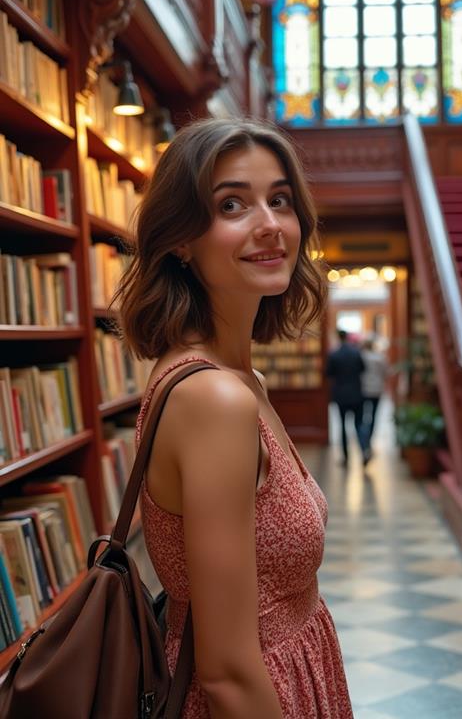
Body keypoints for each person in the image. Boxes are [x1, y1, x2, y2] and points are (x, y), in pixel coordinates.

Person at [114, 118, 353, 719]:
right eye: (231, 204)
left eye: (280, 199)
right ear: (180, 240)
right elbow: (224, 673)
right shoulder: (214, 399)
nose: (270, 225)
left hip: (295, 675)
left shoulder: (242, 381)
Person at [326, 329, 371, 466]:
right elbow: (364, 369)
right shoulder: (356, 352)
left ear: (338, 338)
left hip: (341, 395)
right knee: (359, 424)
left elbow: (328, 374)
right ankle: (364, 450)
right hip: (357, 394)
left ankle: (345, 457)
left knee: (342, 426)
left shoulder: (334, 355)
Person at [360, 334, 387, 449]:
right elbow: (385, 372)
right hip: (377, 390)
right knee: (373, 415)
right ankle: (369, 437)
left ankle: (363, 436)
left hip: (363, 389)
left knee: (363, 415)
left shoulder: (361, 356)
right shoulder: (380, 357)